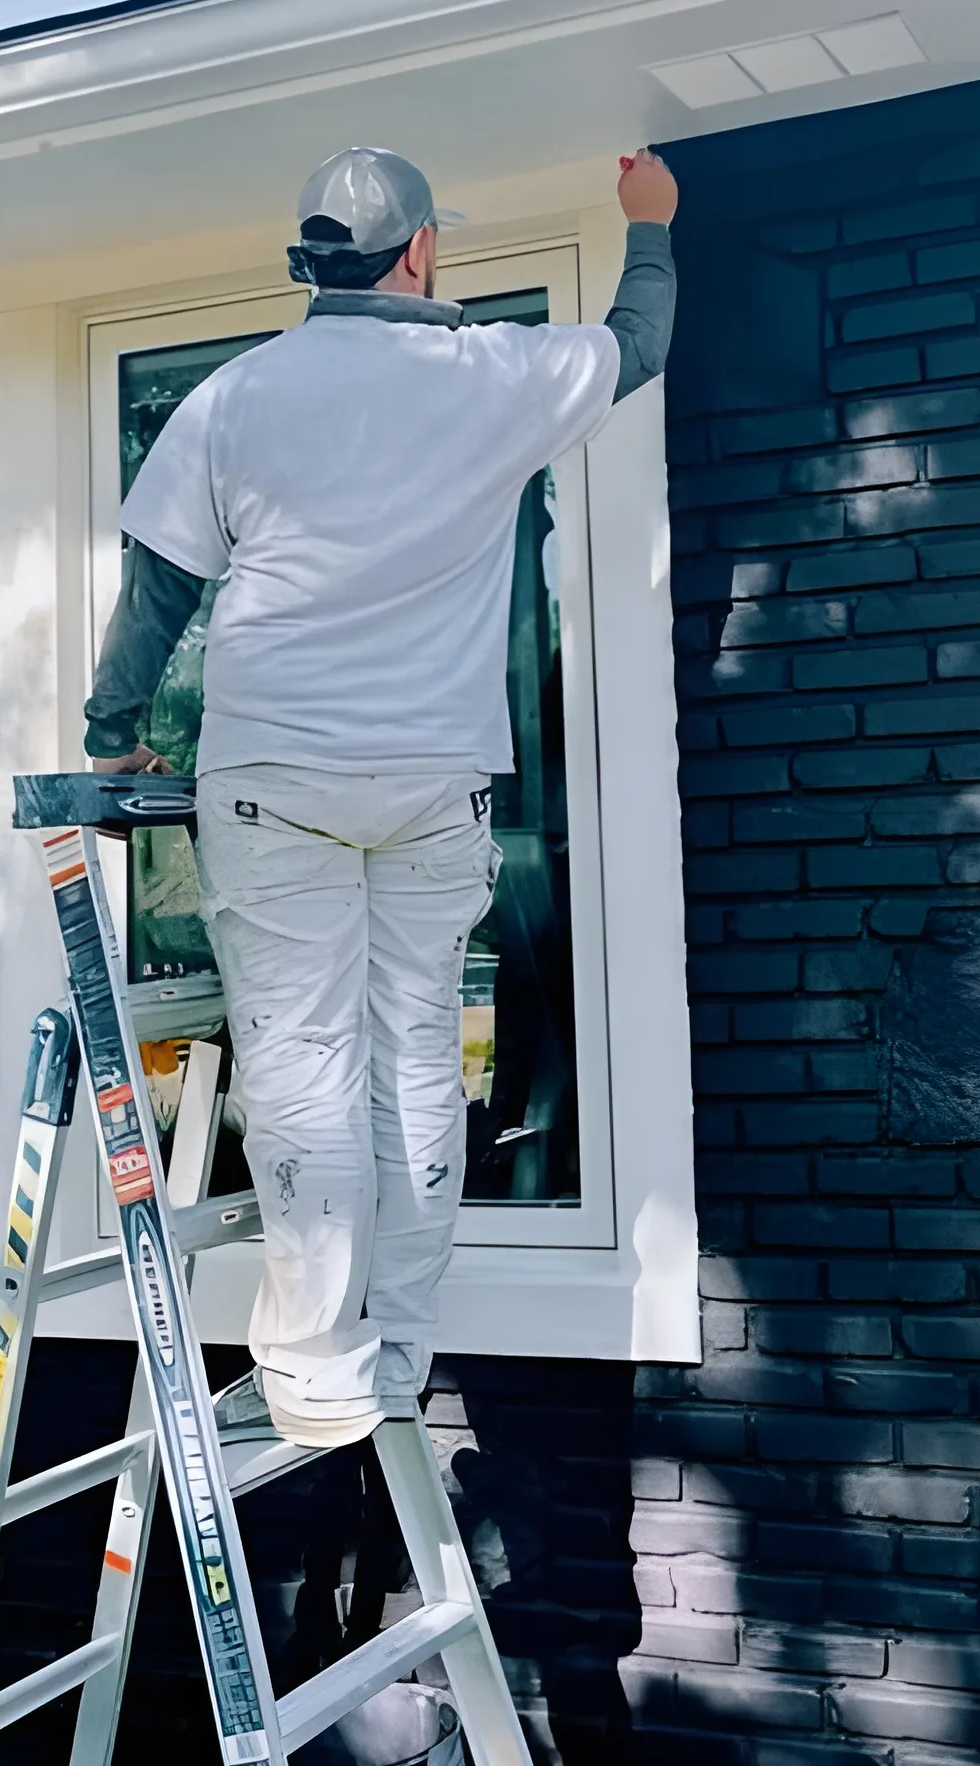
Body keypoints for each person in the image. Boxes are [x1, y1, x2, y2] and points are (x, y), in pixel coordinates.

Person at [84, 143, 678, 1453]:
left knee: (305, 1072)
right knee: (414, 1065)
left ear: (316, 265)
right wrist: (650, 224)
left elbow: (158, 591)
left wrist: (114, 733)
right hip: (430, 782)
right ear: (419, 253)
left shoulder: (236, 397)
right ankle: (396, 1351)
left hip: (277, 777)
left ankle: (316, 1367)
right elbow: (638, 343)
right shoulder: (495, 375)